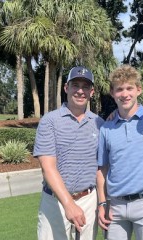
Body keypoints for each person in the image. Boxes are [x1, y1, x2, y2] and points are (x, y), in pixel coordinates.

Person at [96, 65, 143, 240]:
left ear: (139, 89)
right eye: (119, 89)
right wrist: (101, 203)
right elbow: (102, 171)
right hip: (115, 206)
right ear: (113, 93)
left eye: (130, 88)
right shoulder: (106, 128)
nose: (125, 94)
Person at [33, 66, 104, 240]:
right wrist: (69, 204)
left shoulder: (99, 123)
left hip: (88, 199)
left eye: (85, 86)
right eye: (75, 85)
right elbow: (48, 167)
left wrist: (102, 202)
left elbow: (100, 168)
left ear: (92, 92)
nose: (80, 91)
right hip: (55, 201)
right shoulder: (49, 121)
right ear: (66, 88)